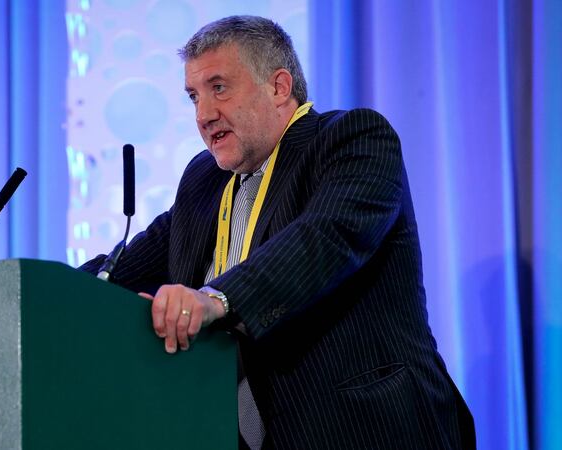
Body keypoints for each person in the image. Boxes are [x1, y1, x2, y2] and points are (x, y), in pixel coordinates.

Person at [81, 15, 475, 449]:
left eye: (219, 88)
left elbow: (323, 240)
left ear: (278, 87)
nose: (203, 114)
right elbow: (124, 270)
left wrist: (214, 300)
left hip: (366, 429)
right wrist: (27, 296)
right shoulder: (204, 180)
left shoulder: (352, 140)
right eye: (193, 96)